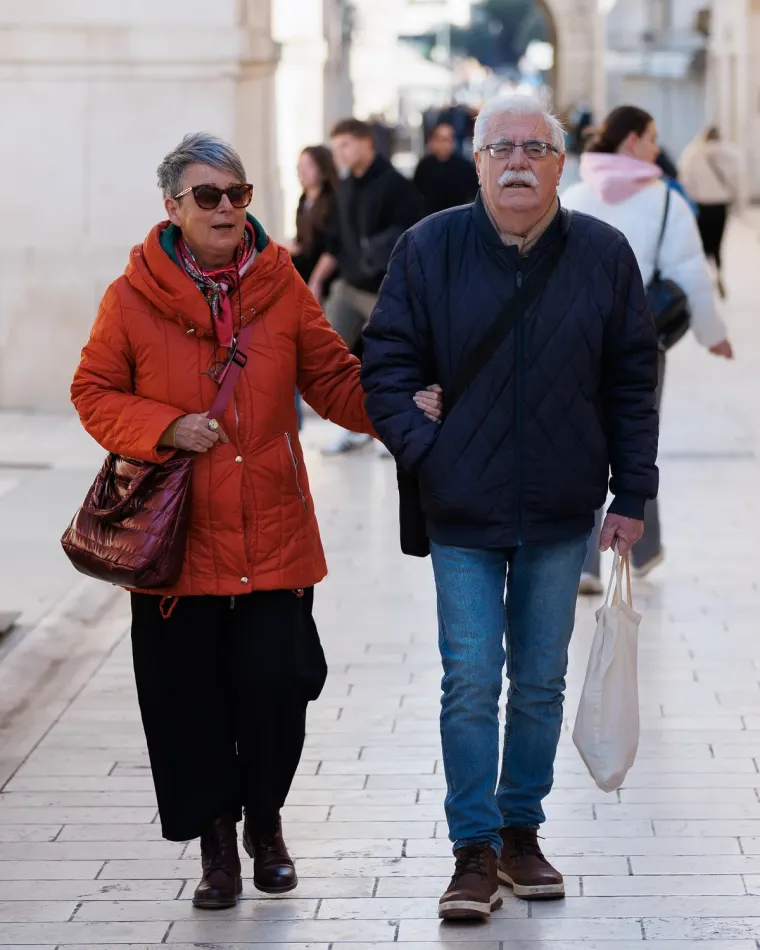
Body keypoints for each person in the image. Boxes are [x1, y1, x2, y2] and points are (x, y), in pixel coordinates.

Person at [70, 133, 442, 911]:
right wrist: (168, 426)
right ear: (172, 207)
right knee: (191, 699)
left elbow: (334, 378)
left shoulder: (280, 284)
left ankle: (265, 822)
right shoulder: (131, 297)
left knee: (278, 684)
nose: (227, 209)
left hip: (273, 530)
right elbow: (94, 391)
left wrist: (400, 408)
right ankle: (217, 845)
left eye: (238, 194)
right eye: (208, 196)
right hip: (178, 541)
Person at [361, 95, 660, 921]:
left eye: (536, 146)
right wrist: (428, 454)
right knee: (469, 681)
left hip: (563, 510)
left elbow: (634, 381)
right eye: (502, 148)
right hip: (460, 508)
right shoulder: (428, 249)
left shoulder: (602, 255)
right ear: (479, 162)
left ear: (562, 164)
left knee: (539, 682)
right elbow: (382, 362)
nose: (518, 160)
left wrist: (630, 494)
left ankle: (521, 833)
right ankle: (473, 851)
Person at [562, 105, 733, 592]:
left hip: (578, 339)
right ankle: (645, 548)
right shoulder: (665, 201)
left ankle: (588, 563)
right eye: (652, 137)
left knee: (585, 442)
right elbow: (690, 273)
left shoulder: (573, 195)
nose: (657, 147)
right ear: (631, 140)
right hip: (643, 340)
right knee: (636, 440)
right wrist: (711, 334)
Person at [308, 118, 422, 455]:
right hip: (348, 286)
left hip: (384, 292)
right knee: (330, 355)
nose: (339, 153)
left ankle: (391, 428)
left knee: (392, 360)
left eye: (345, 145)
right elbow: (337, 240)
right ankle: (350, 426)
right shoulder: (345, 189)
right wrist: (317, 278)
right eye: (336, 146)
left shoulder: (396, 185)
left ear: (366, 143)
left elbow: (413, 235)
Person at [288, 146, 340, 430]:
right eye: (299, 166)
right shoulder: (302, 201)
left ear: (321, 167)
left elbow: (332, 249)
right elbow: (302, 244)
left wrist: (316, 281)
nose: (301, 172)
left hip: (325, 285)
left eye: (306, 165)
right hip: (302, 283)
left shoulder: (332, 201)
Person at [680, 126, 745, 299]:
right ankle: (719, 274)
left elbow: (686, 181)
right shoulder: (729, 154)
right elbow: (737, 181)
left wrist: (690, 202)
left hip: (701, 205)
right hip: (720, 206)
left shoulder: (692, 153)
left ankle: (703, 279)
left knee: (701, 243)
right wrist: (738, 206)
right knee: (717, 243)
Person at [414, 122, 479, 217]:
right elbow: (416, 193)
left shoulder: (464, 166)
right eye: (441, 139)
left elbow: (474, 194)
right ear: (433, 141)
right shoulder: (424, 166)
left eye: (448, 139)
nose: (444, 144)